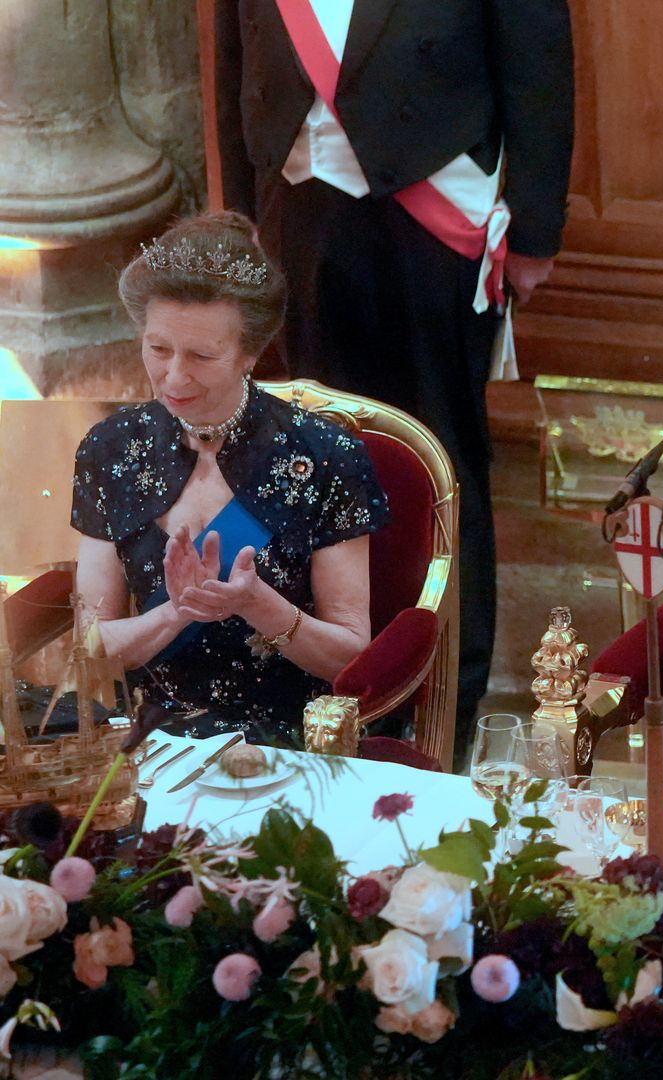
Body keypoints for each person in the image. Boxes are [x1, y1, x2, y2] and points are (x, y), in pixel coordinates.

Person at [213, 1, 575, 764]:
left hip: (430, 204)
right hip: (298, 203)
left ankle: (449, 698)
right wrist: (242, 206)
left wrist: (536, 226)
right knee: (312, 457)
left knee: (439, 462)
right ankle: (326, 681)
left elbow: (537, 59)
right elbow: (234, 43)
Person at [70, 212, 389, 745]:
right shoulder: (109, 448)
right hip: (153, 745)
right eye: (158, 348)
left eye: (201, 355)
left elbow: (350, 659)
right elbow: (92, 649)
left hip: (292, 745)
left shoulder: (326, 455)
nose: (173, 377)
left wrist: (253, 602)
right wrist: (177, 612)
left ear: (250, 354)